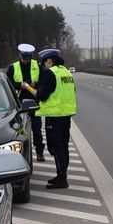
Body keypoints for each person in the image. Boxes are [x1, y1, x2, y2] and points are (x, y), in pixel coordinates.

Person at [34, 48, 76, 189]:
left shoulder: (50, 74)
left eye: (44, 63)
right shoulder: (67, 73)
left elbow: (42, 95)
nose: (43, 66)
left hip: (54, 116)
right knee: (63, 146)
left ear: (49, 61)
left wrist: (35, 89)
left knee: (55, 147)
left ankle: (62, 179)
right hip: (66, 115)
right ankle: (61, 175)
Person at [7, 43, 45, 162]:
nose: (25, 61)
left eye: (27, 58)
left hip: (34, 103)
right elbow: (7, 83)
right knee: (18, 130)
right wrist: (20, 85)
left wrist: (34, 84)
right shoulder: (13, 67)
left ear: (31, 57)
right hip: (18, 104)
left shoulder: (37, 66)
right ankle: (18, 154)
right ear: (20, 55)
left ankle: (39, 152)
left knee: (37, 129)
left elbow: (44, 82)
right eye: (23, 58)